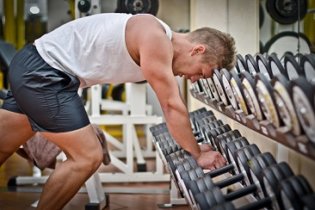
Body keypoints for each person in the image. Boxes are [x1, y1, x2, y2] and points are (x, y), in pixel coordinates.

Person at [0, 13, 236, 210]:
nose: (194, 80)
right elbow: (172, 105)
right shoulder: (155, 38)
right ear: (197, 50)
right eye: (202, 73)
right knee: (87, 156)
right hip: (46, 75)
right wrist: (196, 154)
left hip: (34, 65)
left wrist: (193, 145)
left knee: (2, 145)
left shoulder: (155, 35)